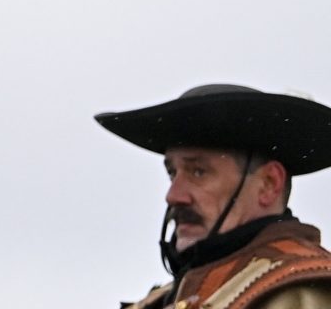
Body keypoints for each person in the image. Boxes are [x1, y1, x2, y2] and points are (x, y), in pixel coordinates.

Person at [97, 82, 331, 308]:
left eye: (198, 172)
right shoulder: (167, 299)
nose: (174, 196)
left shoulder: (301, 293)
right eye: (172, 173)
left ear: (268, 184)